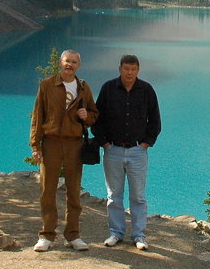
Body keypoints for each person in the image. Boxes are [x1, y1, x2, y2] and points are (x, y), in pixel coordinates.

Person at [29, 49, 97, 252]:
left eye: (74, 62)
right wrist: (35, 145)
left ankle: (73, 235)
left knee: (74, 191)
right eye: (67, 61)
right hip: (51, 143)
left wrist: (87, 116)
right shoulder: (47, 86)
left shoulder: (84, 88)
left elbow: (95, 114)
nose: (70, 65)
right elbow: (37, 117)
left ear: (78, 65)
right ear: (61, 62)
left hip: (74, 144)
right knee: (47, 190)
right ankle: (47, 235)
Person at [93, 53, 161, 250]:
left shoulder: (146, 90)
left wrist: (146, 143)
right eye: (126, 69)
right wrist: (104, 143)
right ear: (120, 69)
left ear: (138, 70)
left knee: (138, 196)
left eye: (133, 69)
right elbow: (97, 118)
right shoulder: (108, 88)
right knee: (114, 195)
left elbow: (155, 121)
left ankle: (139, 235)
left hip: (137, 151)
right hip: (113, 149)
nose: (129, 72)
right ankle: (116, 233)